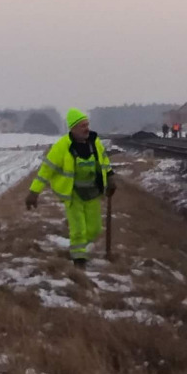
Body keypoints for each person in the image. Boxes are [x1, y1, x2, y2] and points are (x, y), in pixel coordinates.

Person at [27, 108, 115, 265]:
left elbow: (104, 161)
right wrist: (34, 191)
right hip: (73, 194)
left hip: (93, 192)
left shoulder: (95, 143)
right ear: (73, 128)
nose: (86, 128)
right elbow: (46, 170)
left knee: (95, 229)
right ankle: (78, 259)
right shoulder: (61, 147)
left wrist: (110, 177)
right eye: (82, 126)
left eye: (87, 124)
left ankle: (78, 248)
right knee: (78, 229)